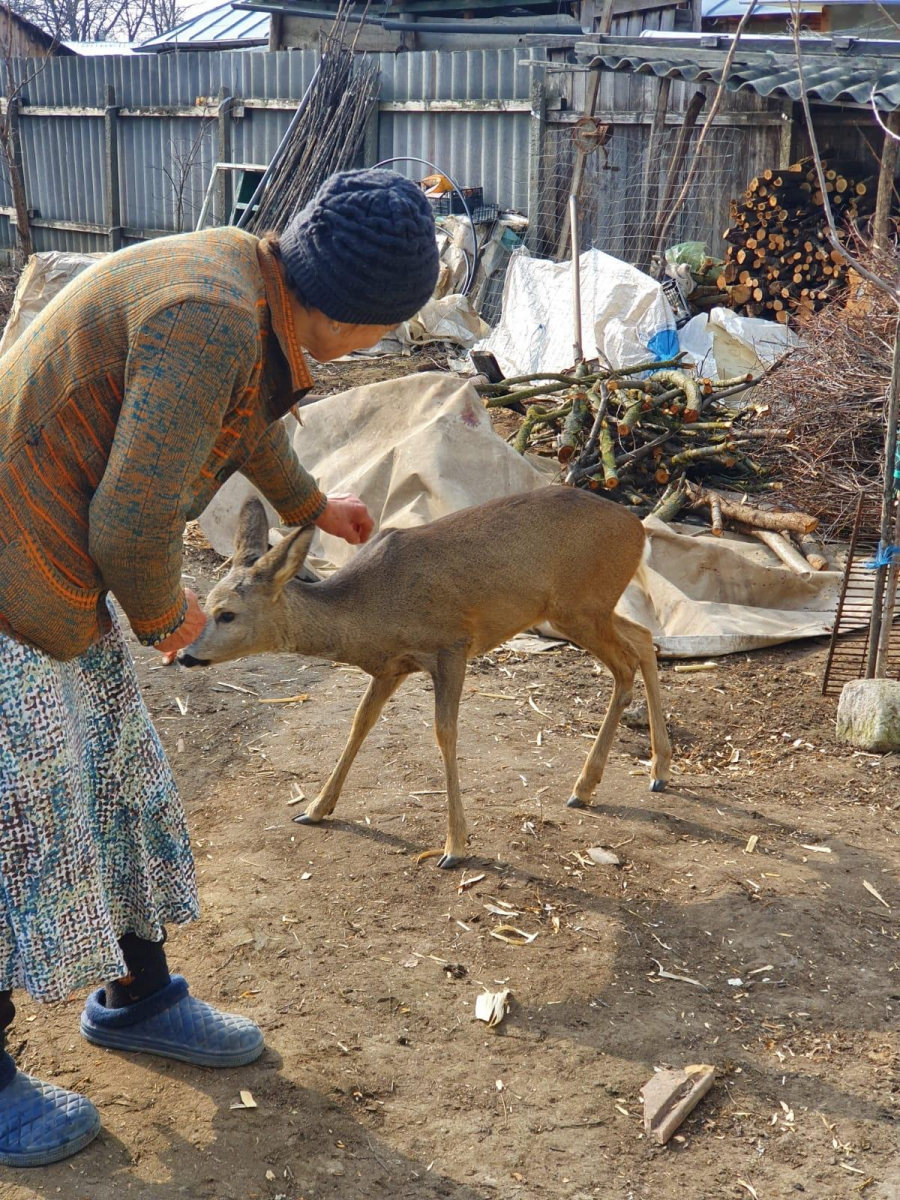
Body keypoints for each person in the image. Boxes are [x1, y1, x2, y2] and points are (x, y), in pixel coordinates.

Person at [0, 168, 439, 1167]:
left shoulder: (250, 288)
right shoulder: (212, 318)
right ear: (355, 315)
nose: (381, 348)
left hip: (48, 565)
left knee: (117, 783)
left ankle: (138, 997)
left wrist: (311, 506)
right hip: (13, 570)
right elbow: (129, 519)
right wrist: (169, 618)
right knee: (16, 819)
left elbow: (247, 415)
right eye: (385, 331)